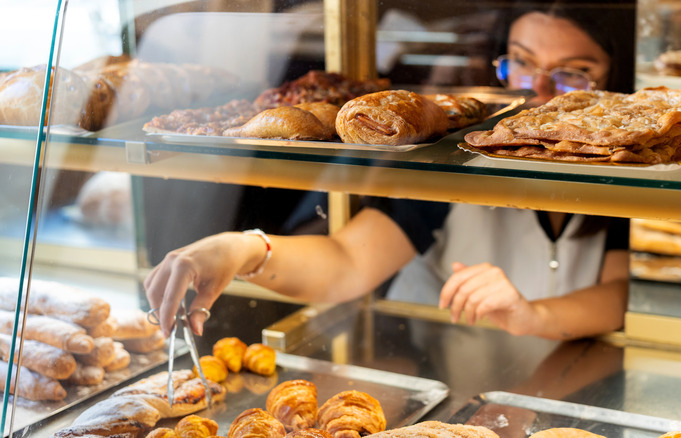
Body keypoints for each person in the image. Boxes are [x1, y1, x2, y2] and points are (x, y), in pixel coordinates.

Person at [144, 1, 634, 342]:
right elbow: (347, 262)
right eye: (522, 65)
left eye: (573, 73)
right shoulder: (454, 158)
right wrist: (245, 246)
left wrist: (532, 315)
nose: (540, 92)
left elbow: (625, 295)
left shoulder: (636, 168)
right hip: (450, 380)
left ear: (618, 80)